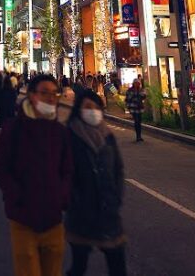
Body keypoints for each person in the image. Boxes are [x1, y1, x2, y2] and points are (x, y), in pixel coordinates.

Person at [0, 74, 73, 276]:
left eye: (54, 93)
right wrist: (16, 194)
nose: (51, 98)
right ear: (32, 95)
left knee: (53, 271)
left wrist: (61, 197)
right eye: (44, 93)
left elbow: (69, 170)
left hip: (53, 218)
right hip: (23, 218)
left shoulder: (60, 132)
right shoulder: (14, 129)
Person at [66, 90, 127, 276]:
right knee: (79, 267)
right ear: (78, 110)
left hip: (109, 213)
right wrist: (75, 201)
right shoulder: (70, 136)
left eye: (95, 107)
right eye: (87, 107)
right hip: (81, 215)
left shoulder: (108, 136)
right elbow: (65, 174)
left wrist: (116, 197)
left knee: (117, 266)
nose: (92, 111)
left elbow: (118, 169)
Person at [125, 79, 146, 143]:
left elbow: (144, 96)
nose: (137, 84)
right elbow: (128, 99)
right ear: (133, 83)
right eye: (136, 83)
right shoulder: (130, 90)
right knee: (136, 121)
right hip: (133, 108)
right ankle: (138, 136)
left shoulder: (141, 90)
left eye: (138, 83)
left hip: (139, 108)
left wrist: (141, 94)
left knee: (139, 122)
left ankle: (139, 136)